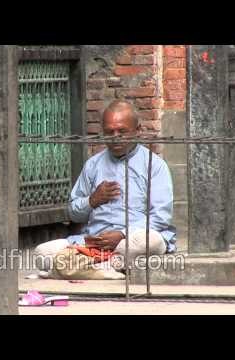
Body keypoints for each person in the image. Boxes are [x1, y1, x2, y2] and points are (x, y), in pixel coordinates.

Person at [33, 100, 176, 278]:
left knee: (148, 242)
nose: (115, 137)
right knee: (42, 253)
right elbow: (73, 213)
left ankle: (87, 268)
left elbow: (161, 218)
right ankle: (109, 269)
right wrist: (92, 200)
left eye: (122, 131)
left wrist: (121, 234)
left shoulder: (154, 166)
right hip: (94, 243)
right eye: (109, 132)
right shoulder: (93, 165)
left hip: (130, 240)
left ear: (138, 131)